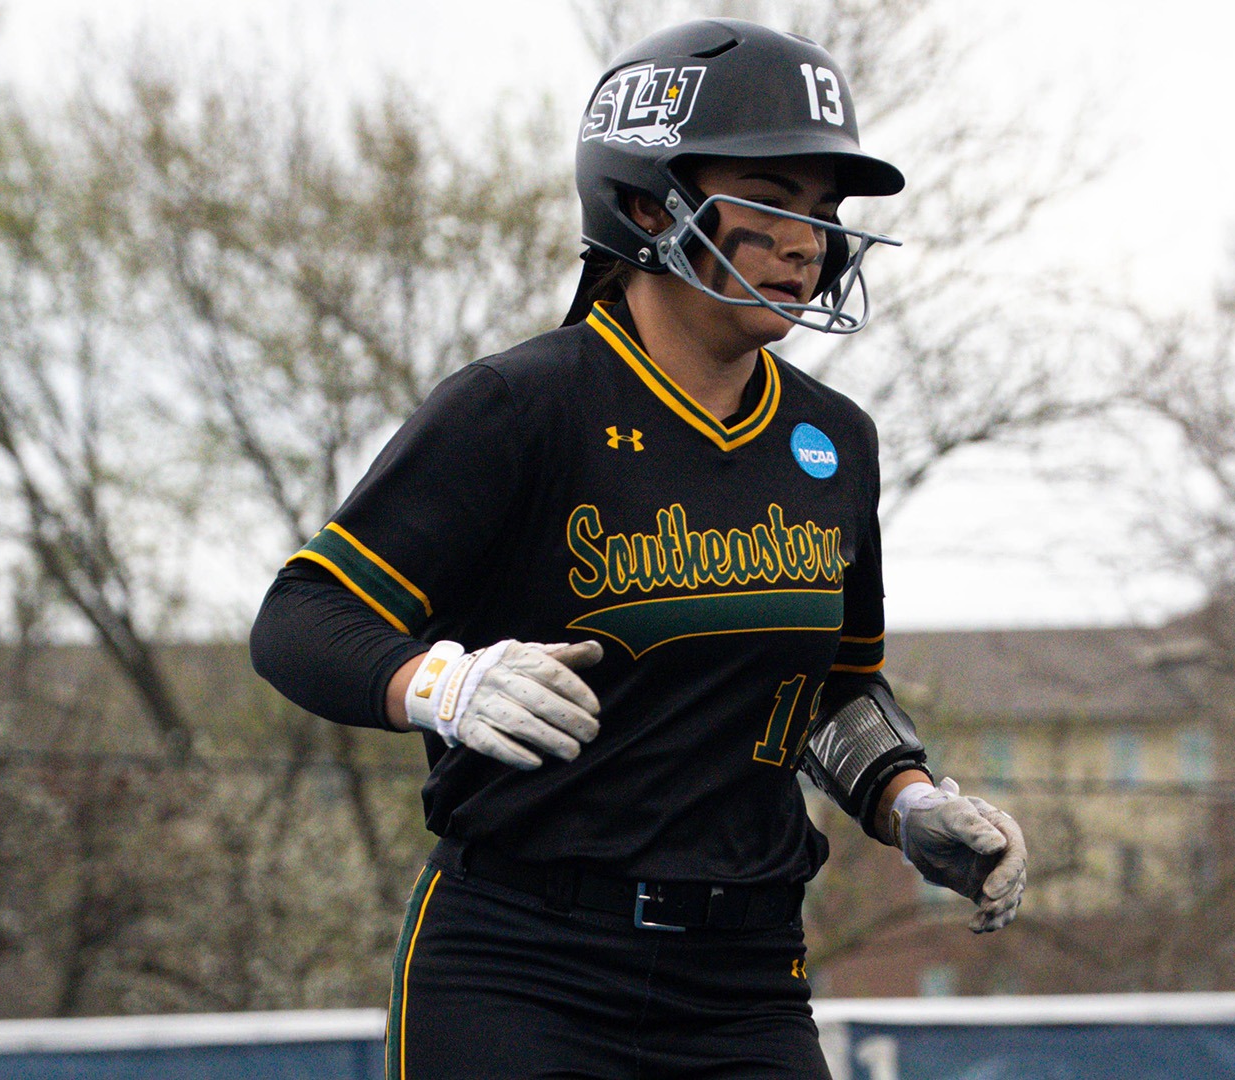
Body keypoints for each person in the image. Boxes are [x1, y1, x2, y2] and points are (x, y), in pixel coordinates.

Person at [250, 18, 1027, 1079]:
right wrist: (442, 682)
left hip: (746, 974)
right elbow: (299, 619)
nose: (809, 240)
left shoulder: (834, 440)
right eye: (773, 197)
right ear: (649, 203)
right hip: (524, 963)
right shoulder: (520, 406)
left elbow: (833, 690)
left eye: (825, 210)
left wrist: (911, 800)